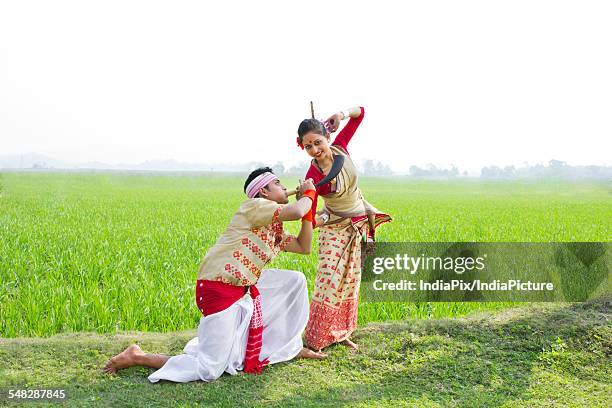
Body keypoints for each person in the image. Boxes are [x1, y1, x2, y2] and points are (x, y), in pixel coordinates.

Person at [104, 168, 326, 382]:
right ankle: (138, 356)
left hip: (242, 288)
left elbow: (303, 246)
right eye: (277, 183)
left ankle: (286, 347)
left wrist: (310, 207)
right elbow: (296, 211)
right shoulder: (256, 206)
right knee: (210, 369)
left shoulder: (274, 228)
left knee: (294, 281)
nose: (284, 186)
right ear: (264, 191)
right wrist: (308, 193)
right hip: (218, 288)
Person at [296, 106, 391, 351]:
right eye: (308, 147)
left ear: (327, 137)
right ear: (303, 147)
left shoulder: (341, 148)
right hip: (333, 225)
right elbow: (309, 212)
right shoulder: (312, 174)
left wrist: (340, 114)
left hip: (358, 221)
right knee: (328, 281)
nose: (315, 150)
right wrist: (305, 199)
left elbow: (361, 112)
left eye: (318, 142)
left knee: (351, 280)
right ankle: (314, 341)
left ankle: (340, 332)